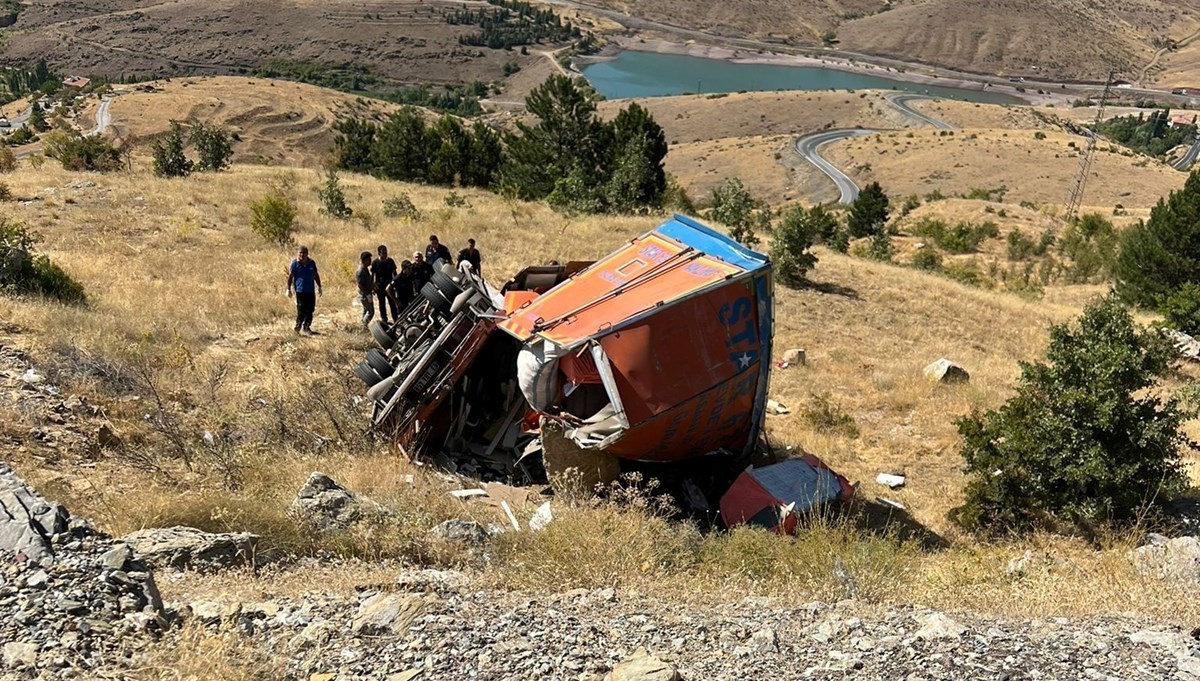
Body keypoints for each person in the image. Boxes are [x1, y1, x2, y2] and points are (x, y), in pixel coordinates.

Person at [286, 245, 322, 335]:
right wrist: (288, 289)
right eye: (300, 253)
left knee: (310, 309)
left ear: (307, 253)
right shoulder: (295, 263)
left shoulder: (312, 263)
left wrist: (319, 286)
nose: (302, 255)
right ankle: (297, 328)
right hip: (300, 291)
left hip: (310, 290)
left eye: (304, 253)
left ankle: (306, 327)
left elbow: (315, 274)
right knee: (301, 310)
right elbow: (291, 276)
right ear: (298, 254)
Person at [371, 244, 398, 325]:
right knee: (382, 304)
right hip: (380, 287)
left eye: (386, 253)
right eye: (383, 253)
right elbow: (372, 275)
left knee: (392, 303)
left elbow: (394, 273)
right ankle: (384, 320)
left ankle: (396, 319)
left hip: (389, 286)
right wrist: (373, 286)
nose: (385, 254)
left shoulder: (390, 261)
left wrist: (396, 284)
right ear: (379, 253)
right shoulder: (375, 263)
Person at [355, 251, 374, 328]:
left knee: (365, 310)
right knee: (370, 312)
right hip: (364, 295)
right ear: (364, 260)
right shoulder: (361, 271)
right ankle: (364, 325)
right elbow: (360, 285)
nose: (370, 261)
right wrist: (367, 294)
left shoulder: (366, 269)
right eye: (368, 260)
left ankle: (362, 326)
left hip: (367, 293)